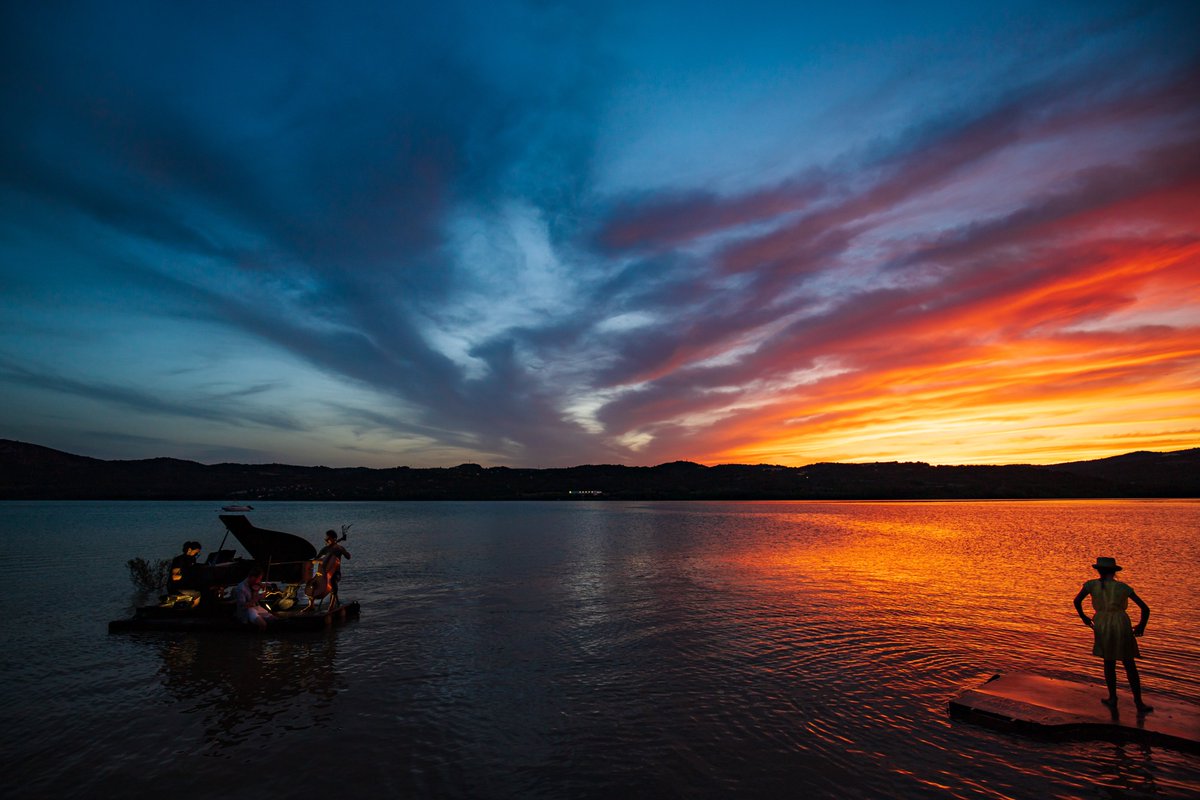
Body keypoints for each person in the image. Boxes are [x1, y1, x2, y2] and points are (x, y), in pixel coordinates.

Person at [1073, 556, 1152, 713]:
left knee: (1109, 663)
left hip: (1102, 624)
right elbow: (1145, 608)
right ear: (1114, 572)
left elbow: (1077, 601)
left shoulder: (1091, 585)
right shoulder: (1122, 587)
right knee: (1129, 664)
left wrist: (1084, 617)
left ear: (1099, 570)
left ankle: (1113, 698)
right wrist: (1141, 626)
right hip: (1121, 623)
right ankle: (1139, 703)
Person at [306, 530, 351, 611]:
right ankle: (311, 605)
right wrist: (318, 560)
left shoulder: (339, 548)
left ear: (334, 539)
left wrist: (342, 550)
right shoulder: (325, 549)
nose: (326, 541)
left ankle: (331, 605)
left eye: (328, 539)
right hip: (322, 572)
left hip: (335, 573)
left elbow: (348, 557)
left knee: (333, 581)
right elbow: (314, 560)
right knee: (311, 582)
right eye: (326, 539)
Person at [234, 565, 275, 630]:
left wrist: (264, 588)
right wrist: (257, 598)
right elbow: (243, 605)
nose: (259, 581)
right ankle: (259, 639)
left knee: (272, 619)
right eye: (259, 579)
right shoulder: (241, 588)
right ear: (252, 577)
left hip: (256, 607)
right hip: (246, 610)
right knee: (263, 624)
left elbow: (259, 592)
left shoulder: (254, 583)